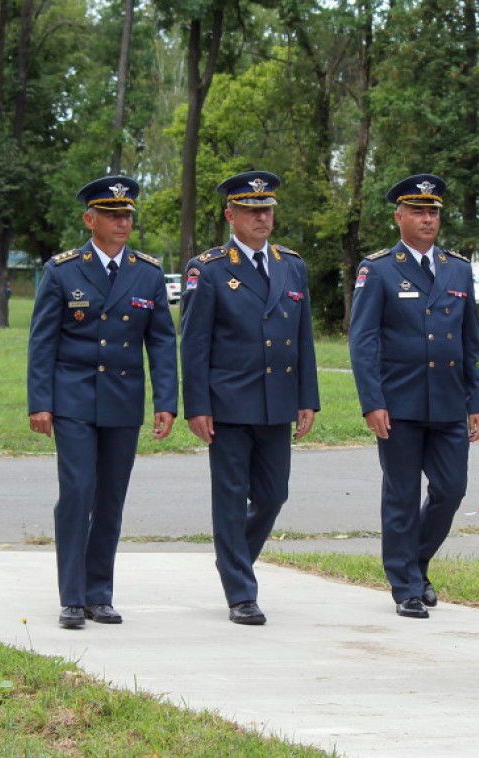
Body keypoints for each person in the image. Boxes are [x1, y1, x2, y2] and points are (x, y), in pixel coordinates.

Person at [27, 176, 177, 630]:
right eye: (112, 215)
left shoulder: (147, 272)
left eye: (127, 215)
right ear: (89, 219)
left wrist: (165, 401)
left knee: (110, 498)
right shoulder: (63, 269)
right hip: (72, 397)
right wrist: (40, 402)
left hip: (122, 400)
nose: (122, 222)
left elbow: (162, 343)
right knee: (77, 493)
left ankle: (99, 593)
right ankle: (72, 596)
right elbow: (42, 341)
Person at [180, 170, 320, 625]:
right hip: (228, 401)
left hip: (277, 400)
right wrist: (196, 405)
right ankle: (241, 591)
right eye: (251, 209)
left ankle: (232, 557)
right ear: (230, 215)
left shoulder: (290, 264)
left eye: (268, 209)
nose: (262, 216)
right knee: (230, 494)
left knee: (274, 494)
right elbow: (194, 342)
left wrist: (307, 397)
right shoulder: (210, 268)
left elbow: (303, 339)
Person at [349, 174, 479, 619]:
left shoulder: (458, 268)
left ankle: (417, 561)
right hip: (400, 402)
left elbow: (471, 342)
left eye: (433, 212)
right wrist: (372, 400)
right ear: (399, 217)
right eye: (418, 211)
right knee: (402, 495)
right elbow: (363, 339)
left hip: (448, 402)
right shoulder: (379, 268)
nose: (428, 219)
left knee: (451, 490)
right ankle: (405, 585)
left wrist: (477, 399)